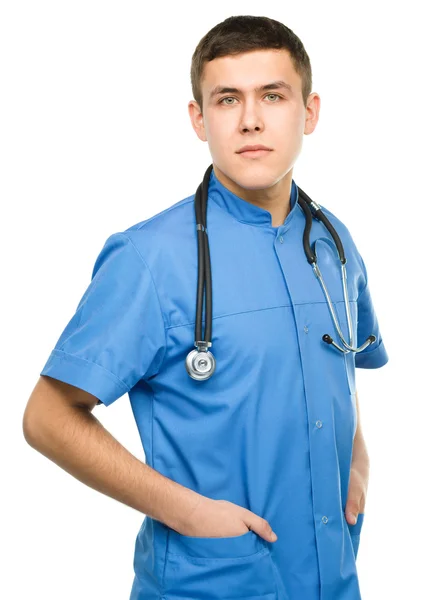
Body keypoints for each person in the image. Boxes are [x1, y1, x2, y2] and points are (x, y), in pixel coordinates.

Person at [22, 14, 389, 600]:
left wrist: (358, 462)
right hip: (211, 580)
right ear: (199, 118)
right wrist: (189, 514)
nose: (250, 119)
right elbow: (47, 417)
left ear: (309, 111)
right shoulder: (150, 257)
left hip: (331, 579)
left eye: (273, 95)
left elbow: (340, 368)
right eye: (227, 99)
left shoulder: (335, 244)